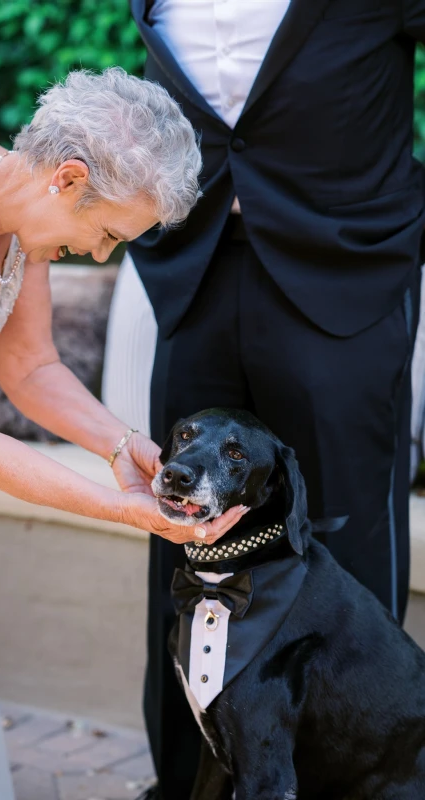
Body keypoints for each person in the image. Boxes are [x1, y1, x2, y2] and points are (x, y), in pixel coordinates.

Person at [0, 67, 248, 800]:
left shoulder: (12, 202)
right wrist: (127, 512)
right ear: (68, 177)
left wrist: (123, 446)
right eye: (108, 232)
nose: (99, 254)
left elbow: (30, 369)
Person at [107, 3, 425, 798]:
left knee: (345, 535)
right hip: (195, 263)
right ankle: (187, 782)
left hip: (345, 264)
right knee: (183, 523)